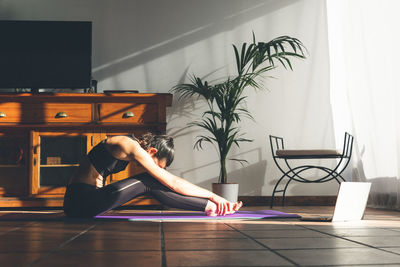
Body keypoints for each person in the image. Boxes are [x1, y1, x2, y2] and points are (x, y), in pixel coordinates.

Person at [63, 132, 243, 218]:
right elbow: (172, 182)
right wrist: (213, 195)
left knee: (151, 183)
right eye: (160, 165)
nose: (160, 170)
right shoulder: (129, 145)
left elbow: (169, 182)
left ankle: (209, 207)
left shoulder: (130, 145)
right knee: (149, 180)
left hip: (84, 202)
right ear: (152, 151)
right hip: (81, 203)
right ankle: (210, 206)